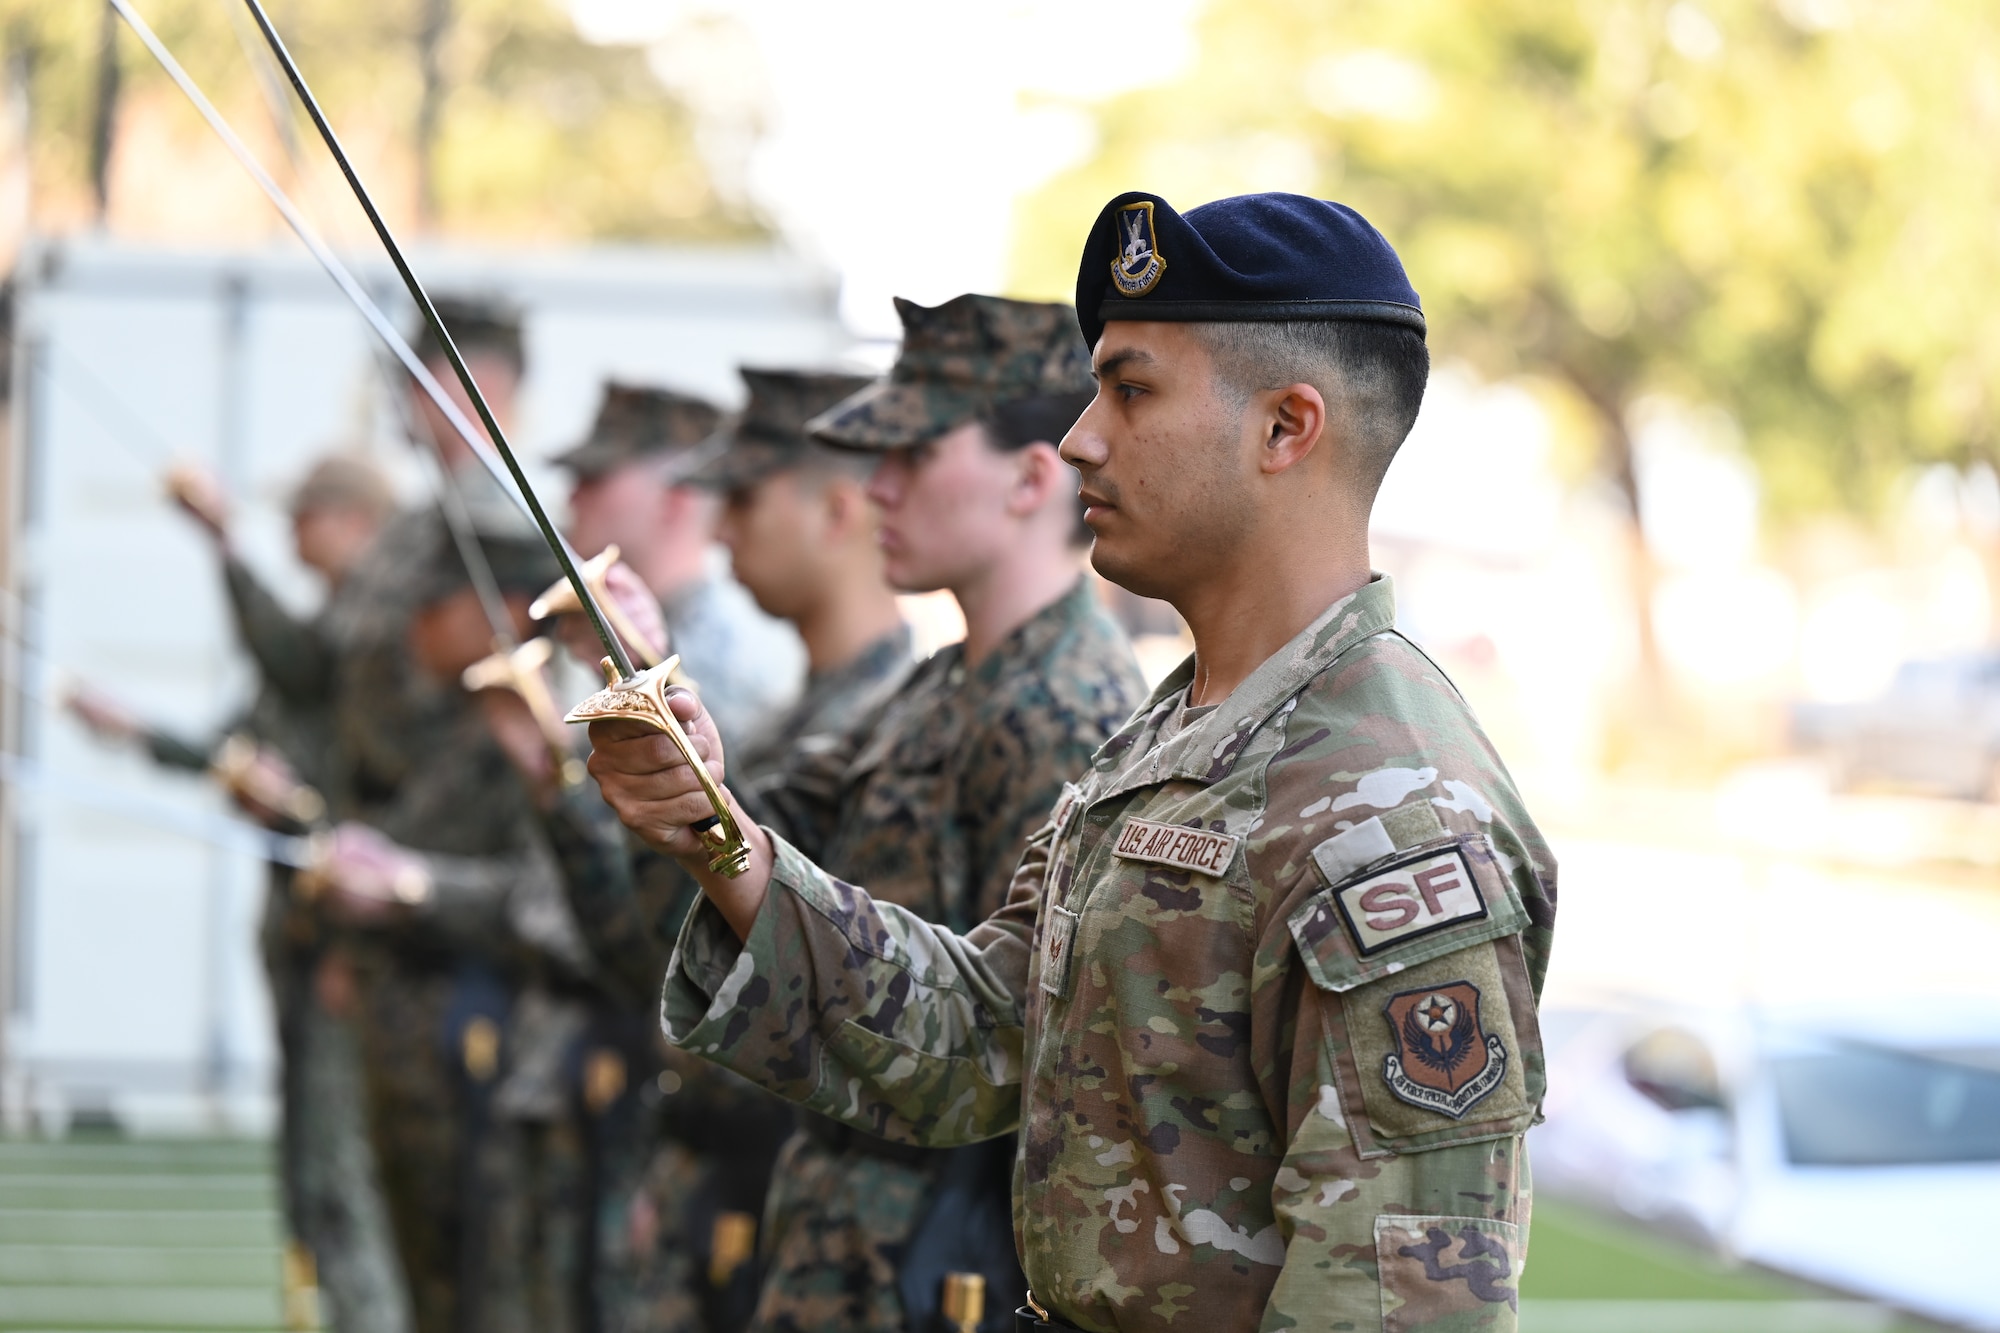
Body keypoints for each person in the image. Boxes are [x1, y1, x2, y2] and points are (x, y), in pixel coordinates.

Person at [587, 194, 1559, 1332]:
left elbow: (1402, 1300)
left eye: (1131, 389)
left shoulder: (1391, 808)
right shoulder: (1168, 737)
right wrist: (725, 845)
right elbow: (977, 1035)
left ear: (1286, 428)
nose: (1077, 436)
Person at [590, 294, 1149, 1333]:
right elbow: (750, 843)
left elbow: (1013, 1061)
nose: (875, 486)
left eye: (912, 455)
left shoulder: (1067, 712)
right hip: (842, 1253)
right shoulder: (939, 687)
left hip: (935, 1279)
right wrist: (672, 744)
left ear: (1032, 479)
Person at [477, 365, 912, 1333]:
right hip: (719, 1155)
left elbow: (852, 1007)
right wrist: (570, 785)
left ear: (837, 508)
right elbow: (663, 944)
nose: (719, 528)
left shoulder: (870, 716)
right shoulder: (817, 710)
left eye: (745, 497)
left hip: (801, 1189)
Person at [67, 452, 411, 1333]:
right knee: (306, 1164)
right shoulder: (325, 643)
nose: (292, 535)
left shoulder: (372, 645)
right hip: (301, 933)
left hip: (357, 943)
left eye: (308, 517)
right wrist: (140, 730)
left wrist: (223, 542)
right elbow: (247, 735)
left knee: (344, 1170)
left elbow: (299, 680)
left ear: (356, 523)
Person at [312, 527, 600, 1333]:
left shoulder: (554, 727)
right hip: (441, 1029)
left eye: (436, 606)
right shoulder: (462, 720)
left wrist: (408, 886)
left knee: (489, 1287)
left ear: (502, 612)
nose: (417, 626)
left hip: (500, 1038)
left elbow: (546, 901)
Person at [553, 383, 802, 743]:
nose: (572, 497)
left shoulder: (725, 658)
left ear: (676, 500)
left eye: (594, 479)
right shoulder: (615, 631)